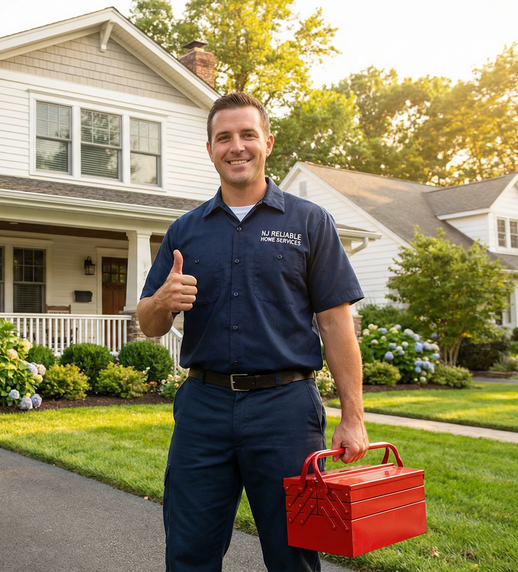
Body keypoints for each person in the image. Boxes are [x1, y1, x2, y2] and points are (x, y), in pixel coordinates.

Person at [137, 92, 370, 572]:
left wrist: (353, 415)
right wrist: (162, 301)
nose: (236, 147)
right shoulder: (185, 230)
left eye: (247, 135)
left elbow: (335, 324)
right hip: (204, 407)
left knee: (293, 555)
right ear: (210, 149)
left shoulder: (310, 222)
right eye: (224, 137)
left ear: (266, 142)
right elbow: (149, 324)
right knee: (188, 550)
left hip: (285, 411)